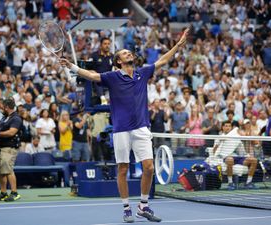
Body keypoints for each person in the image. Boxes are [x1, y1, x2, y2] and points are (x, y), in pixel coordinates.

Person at [60, 27, 190, 223]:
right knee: (122, 169)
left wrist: (178, 45)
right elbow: (93, 76)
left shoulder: (143, 73)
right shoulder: (112, 77)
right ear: (118, 61)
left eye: (129, 52)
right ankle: (127, 207)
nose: (129, 53)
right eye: (124, 53)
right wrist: (72, 66)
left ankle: (143, 206)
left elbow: (163, 60)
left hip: (141, 127)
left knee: (148, 167)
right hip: (121, 129)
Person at [0, 98, 23, 202]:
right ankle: (3, 193)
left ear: (7, 107)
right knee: (0, 171)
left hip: (9, 148)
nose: (2, 108)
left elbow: (12, 132)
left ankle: (14, 193)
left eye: (3, 107)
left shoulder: (16, 118)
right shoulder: (4, 118)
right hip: (0, 147)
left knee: (8, 170)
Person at [213, 121, 258, 190]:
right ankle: (230, 183)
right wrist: (219, 143)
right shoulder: (220, 137)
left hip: (237, 157)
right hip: (227, 157)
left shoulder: (235, 137)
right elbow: (214, 151)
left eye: (229, 126)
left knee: (254, 160)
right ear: (222, 127)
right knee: (230, 159)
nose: (228, 127)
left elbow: (241, 151)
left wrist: (247, 155)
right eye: (226, 126)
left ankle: (248, 183)